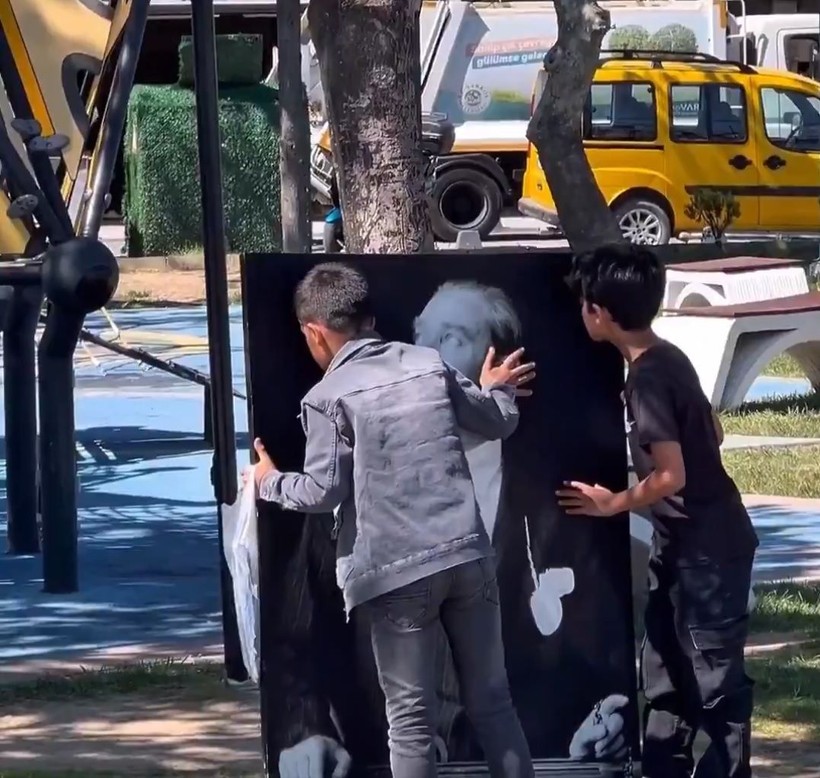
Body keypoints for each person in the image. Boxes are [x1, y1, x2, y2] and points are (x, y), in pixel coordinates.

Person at [250, 261, 536, 778]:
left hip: (396, 572)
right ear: (371, 319)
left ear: (314, 333)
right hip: (468, 556)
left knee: (408, 723)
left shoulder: (326, 397)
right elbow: (498, 422)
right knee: (495, 703)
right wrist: (496, 389)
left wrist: (268, 480)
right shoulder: (429, 364)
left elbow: (321, 491)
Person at [557, 244, 759, 778]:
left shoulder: (647, 379)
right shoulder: (668, 357)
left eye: (584, 303)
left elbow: (672, 475)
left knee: (716, 681)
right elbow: (714, 431)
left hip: (708, 551)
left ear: (599, 312)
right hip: (680, 546)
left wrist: (613, 503)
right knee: (667, 673)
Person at [414, 280, 630, 762]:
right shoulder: (376, 485)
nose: (424, 359)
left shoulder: (562, 503)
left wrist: (605, 715)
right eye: (419, 337)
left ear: (507, 364)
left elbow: (599, 652)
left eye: (450, 339)